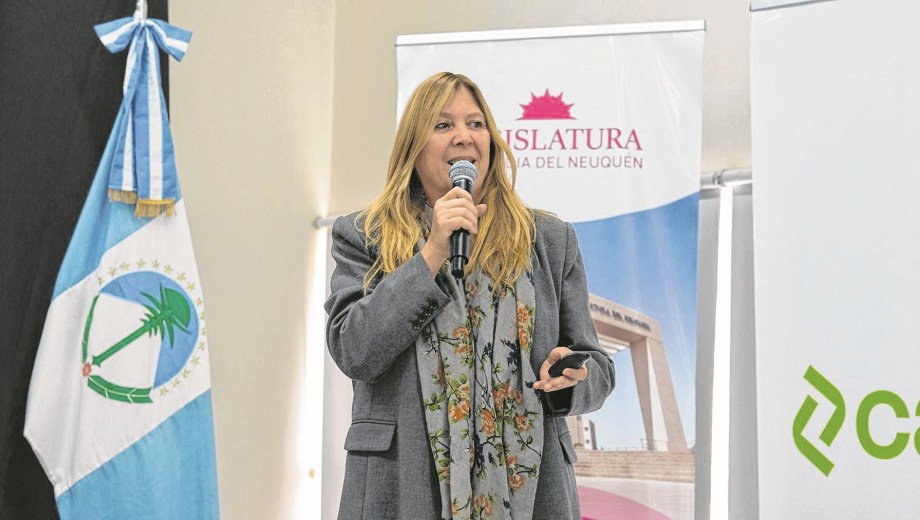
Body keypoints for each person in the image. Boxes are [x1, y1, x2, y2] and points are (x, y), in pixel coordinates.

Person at [325, 71, 615, 520]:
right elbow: (354, 349)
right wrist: (432, 254)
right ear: (413, 147)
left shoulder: (548, 239)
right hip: (402, 489)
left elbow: (597, 368)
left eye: (475, 124)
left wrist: (571, 378)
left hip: (531, 492)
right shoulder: (366, 235)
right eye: (443, 125)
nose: (463, 136)